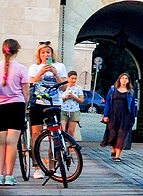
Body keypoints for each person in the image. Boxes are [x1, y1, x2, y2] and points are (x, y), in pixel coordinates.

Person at [27, 42, 68, 178]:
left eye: (48, 52)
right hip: (38, 103)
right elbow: (31, 84)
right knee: (36, 135)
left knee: (54, 136)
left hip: (54, 103)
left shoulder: (60, 66)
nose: (45, 55)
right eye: (43, 52)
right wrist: (41, 72)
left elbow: (63, 88)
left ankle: (53, 166)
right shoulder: (34, 67)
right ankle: (37, 167)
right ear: (39, 55)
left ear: (52, 54)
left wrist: (55, 74)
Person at [0, 39, 29, 186]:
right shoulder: (21, 68)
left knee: (0, 143)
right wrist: (25, 109)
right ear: (17, 51)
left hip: (0, 107)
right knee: (11, 143)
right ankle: (9, 176)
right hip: (16, 106)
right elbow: (26, 94)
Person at [102, 73, 137, 162]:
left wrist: (132, 119)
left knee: (121, 134)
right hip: (113, 114)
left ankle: (118, 155)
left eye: (126, 78)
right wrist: (106, 115)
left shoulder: (131, 92)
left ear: (128, 81)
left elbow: (133, 107)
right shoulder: (113, 89)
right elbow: (107, 103)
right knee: (112, 133)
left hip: (125, 115)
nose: (124, 80)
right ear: (119, 79)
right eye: (122, 78)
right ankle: (113, 148)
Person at [60, 71, 84, 140]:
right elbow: (59, 99)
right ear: (68, 78)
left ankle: (69, 147)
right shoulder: (63, 87)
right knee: (62, 129)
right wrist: (66, 97)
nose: (73, 80)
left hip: (74, 110)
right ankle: (62, 145)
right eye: (72, 78)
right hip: (63, 110)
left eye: (75, 79)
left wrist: (73, 97)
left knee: (70, 132)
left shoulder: (78, 88)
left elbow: (81, 100)